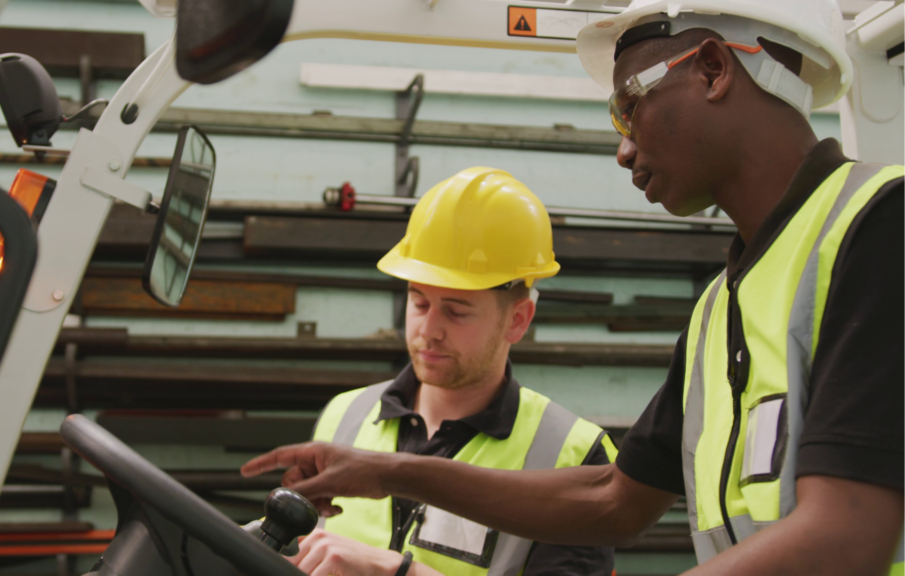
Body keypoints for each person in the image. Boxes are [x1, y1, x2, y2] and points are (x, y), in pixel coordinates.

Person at [243, 1, 904, 575]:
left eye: (628, 107)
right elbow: (616, 500)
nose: (622, 149)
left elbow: (845, 535)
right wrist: (383, 471)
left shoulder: (880, 224)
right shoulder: (719, 307)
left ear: (712, 69)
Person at [286, 166, 618, 576]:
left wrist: (396, 572)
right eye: (419, 302)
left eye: (456, 311)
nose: (428, 331)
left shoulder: (574, 455)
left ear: (518, 319)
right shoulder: (345, 414)